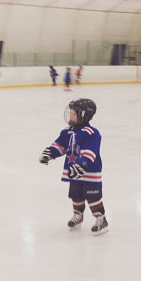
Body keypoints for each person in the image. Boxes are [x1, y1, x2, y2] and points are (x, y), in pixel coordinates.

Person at [39, 97, 108, 235]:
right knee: (76, 195)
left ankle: (101, 218)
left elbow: (90, 153)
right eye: (70, 113)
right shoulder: (68, 131)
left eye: (74, 114)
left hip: (88, 173)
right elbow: (60, 146)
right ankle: (78, 215)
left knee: (93, 197)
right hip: (73, 172)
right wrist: (49, 153)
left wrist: (80, 165)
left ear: (84, 115)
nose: (70, 116)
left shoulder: (91, 133)